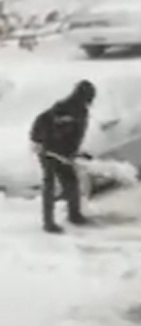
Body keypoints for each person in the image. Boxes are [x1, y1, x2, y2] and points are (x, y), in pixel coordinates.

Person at [29, 80, 96, 234]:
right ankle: (49, 222)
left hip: (60, 151)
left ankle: (74, 214)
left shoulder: (78, 109)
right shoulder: (66, 109)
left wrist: (73, 152)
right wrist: (41, 143)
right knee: (50, 184)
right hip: (49, 150)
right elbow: (52, 129)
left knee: (70, 181)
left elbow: (75, 136)